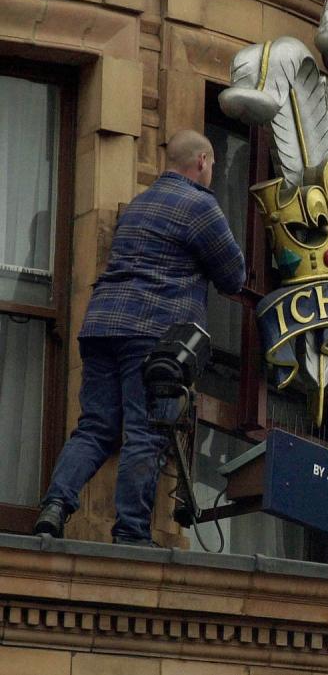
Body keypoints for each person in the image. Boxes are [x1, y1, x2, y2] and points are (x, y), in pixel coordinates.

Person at [33, 130, 246, 546]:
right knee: (146, 430)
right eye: (213, 166)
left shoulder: (139, 204)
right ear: (202, 161)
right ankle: (131, 532)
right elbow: (233, 275)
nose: (212, 174)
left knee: (95, 427)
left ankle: (54, 507)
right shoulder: (200, 205)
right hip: (154, 334)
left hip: (101, 325)